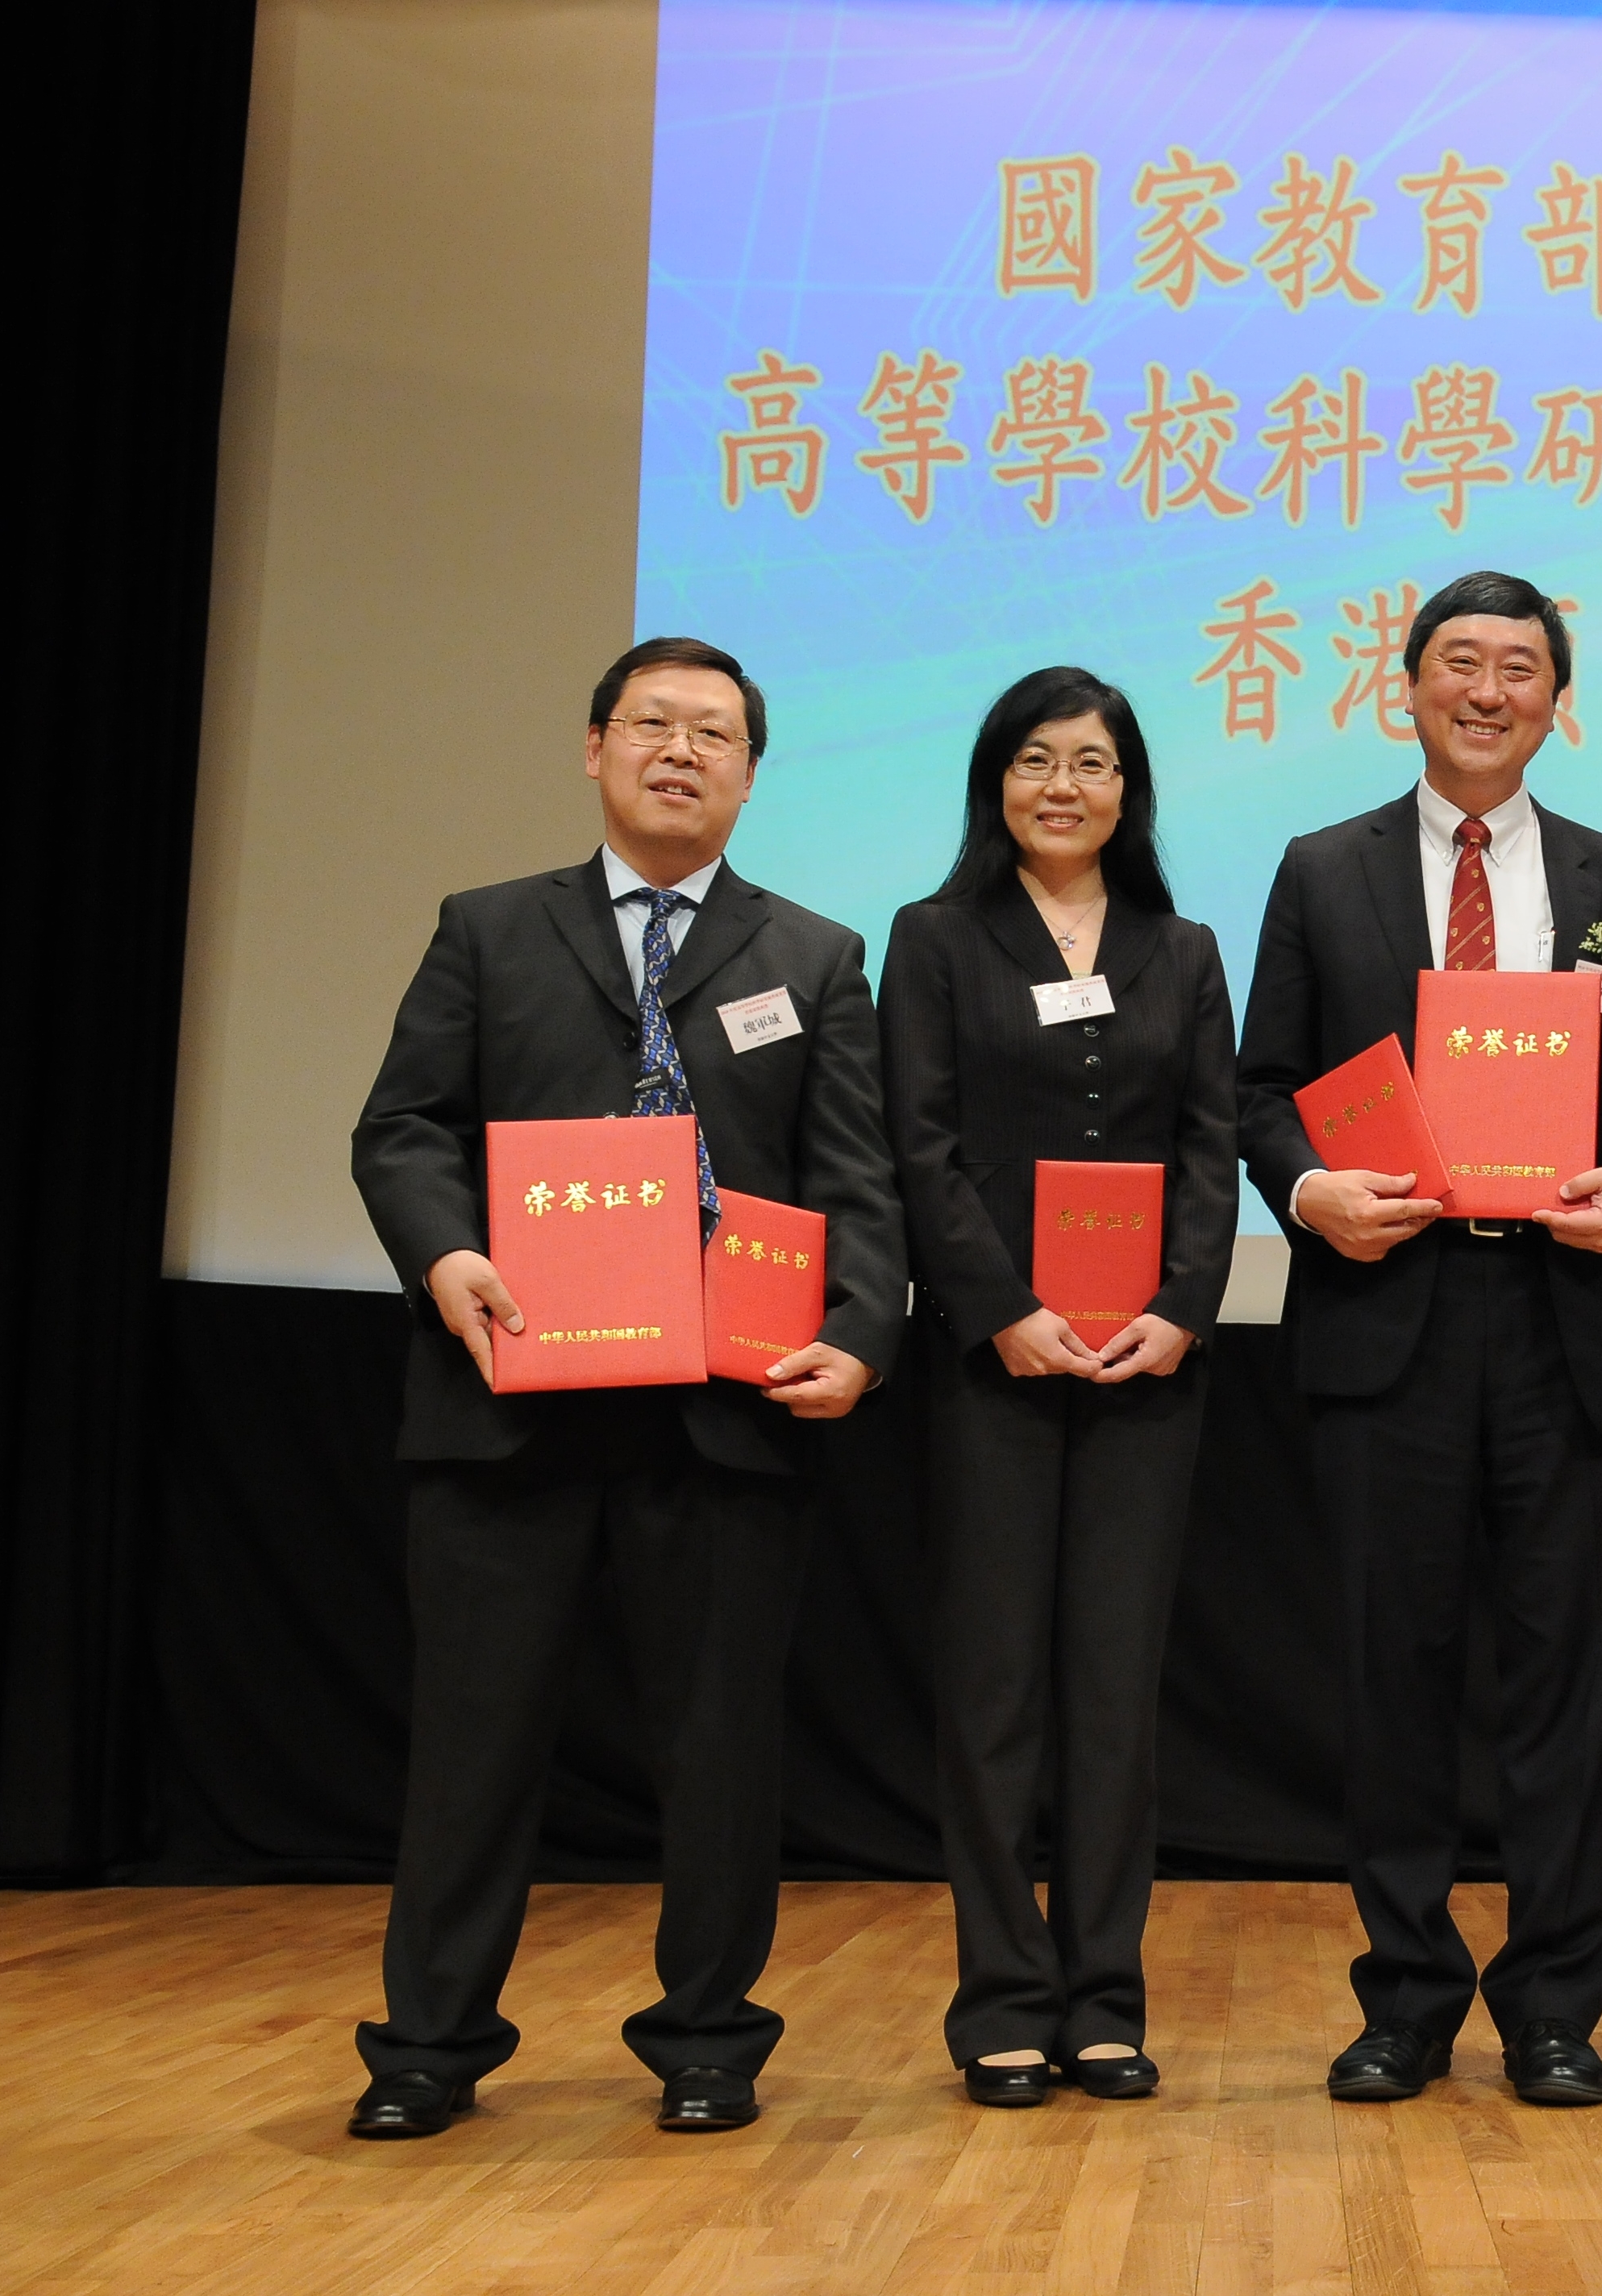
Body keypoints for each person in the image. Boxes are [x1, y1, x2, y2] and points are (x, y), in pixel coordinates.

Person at [345, 635, 906, 2140]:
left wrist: (858, 1333)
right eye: (652, 724)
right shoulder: (490, 928)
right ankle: (427, 2051)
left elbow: (859, 1177)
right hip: (505, 1397)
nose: (681, 751)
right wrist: (443, 1256)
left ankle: (711, 2040)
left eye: (714, 733)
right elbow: (401, 1129)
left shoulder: (814, 955)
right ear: (593, 748)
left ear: (748, 772)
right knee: (474, 1748)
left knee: (719, 1752)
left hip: (721, 1415)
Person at [1234, 570, 1602, 2107]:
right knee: (1395, 1680)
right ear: (1406, 685)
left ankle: (1556, 2007)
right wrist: (1307, 1187)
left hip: (1569, 1323)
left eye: (1519, 669)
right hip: (1392, 1316)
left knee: (1568, 1689)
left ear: (1562, 700)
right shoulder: (1323, 869)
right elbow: (1258, 1084)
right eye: (1458, 664)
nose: (1487, 691)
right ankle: (1408, 1999)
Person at [878, 668, 1238, 2109]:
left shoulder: (1185, 946)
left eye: (1091, 763)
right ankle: (1002, 2002)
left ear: (1129, 790)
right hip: (994, 1367)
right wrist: (1004, 1308)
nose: (1063, 787)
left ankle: (1106, 2001)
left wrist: (1180, 1312)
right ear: (996, 783)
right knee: (995, 1692)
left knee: (1112, 1696)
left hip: (1148, 1369)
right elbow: (920, 1146)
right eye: (1035, 762)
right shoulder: (935, 938)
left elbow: (1212, 1153)